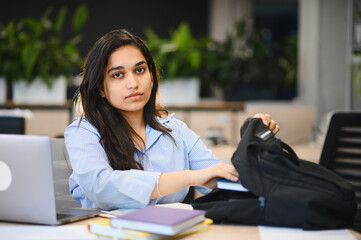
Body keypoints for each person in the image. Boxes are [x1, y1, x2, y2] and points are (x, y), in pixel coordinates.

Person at [65, 29, 280, 210]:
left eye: (139, 70)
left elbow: (218, 177)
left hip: (172, 232)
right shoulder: (83, 132)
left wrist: (254, 146)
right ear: (101, 87)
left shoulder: (176, 130)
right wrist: (189, 177)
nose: (133, 83)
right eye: (118, 75)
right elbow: (101, 187)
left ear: (151, 76)